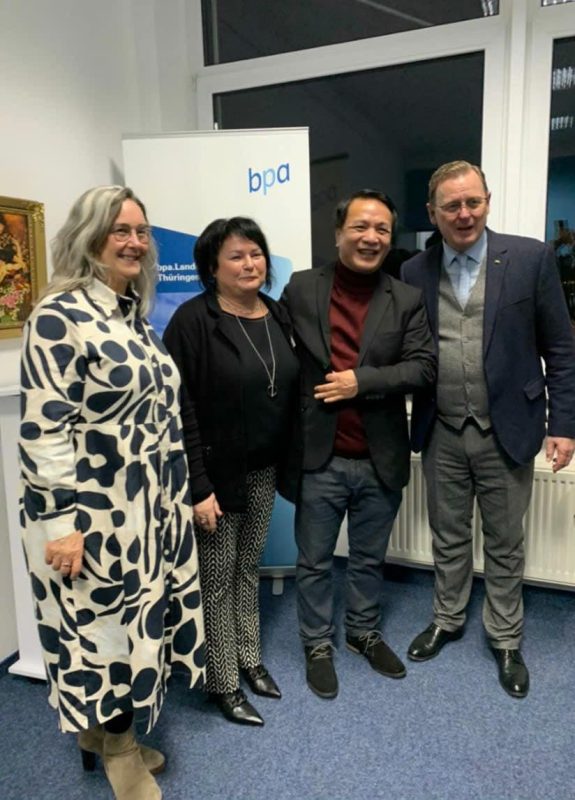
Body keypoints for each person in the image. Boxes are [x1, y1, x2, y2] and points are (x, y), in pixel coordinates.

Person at [19, 186, 206, 800]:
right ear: (89, 237)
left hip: (145, 508)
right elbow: (44, 431)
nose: (135, 242)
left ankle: (99, 735)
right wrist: (60, 526)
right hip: (89, 512)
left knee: (132, 625)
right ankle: (119, 750)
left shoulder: (133, 316)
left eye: (141, 231)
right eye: (119, 230)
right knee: (101, 634)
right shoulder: (58, 315)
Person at [401, 160, 575, 698]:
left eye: (473, 201)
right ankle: (447, 618)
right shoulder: (413, 271)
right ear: (432, 213)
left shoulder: (530, 258)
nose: (464, 214)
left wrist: (564, 424)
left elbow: (561, 348)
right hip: (441, 429)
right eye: (451, 205)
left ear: (488, 201)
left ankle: (504, 637)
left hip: (509, 427)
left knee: (504, 540)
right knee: (448, 535)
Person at [280, 189, 436, 699]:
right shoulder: (301, 288)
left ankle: (362, 633)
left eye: (382, 229)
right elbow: (275, 356)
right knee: (315, 561)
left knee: (369, 559)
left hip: (379, 456)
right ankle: (317, 644)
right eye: (360, 227)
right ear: (338, 233)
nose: (371, 237)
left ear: (391, 237)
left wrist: (360, 381)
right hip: (318, 456)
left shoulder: (406, 298)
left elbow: (423, 367)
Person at [163, 217, 299, 726]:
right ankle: (222, 682)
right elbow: (179, 410)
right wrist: (198, 487)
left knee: (247, 569)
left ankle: (249, 658)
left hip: (262, 468)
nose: (250, 264)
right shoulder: (193, 321)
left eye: (256, 253)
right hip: (216, 477)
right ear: (212, 268)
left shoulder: (276, 313)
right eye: (236, 256)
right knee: (216, 580)